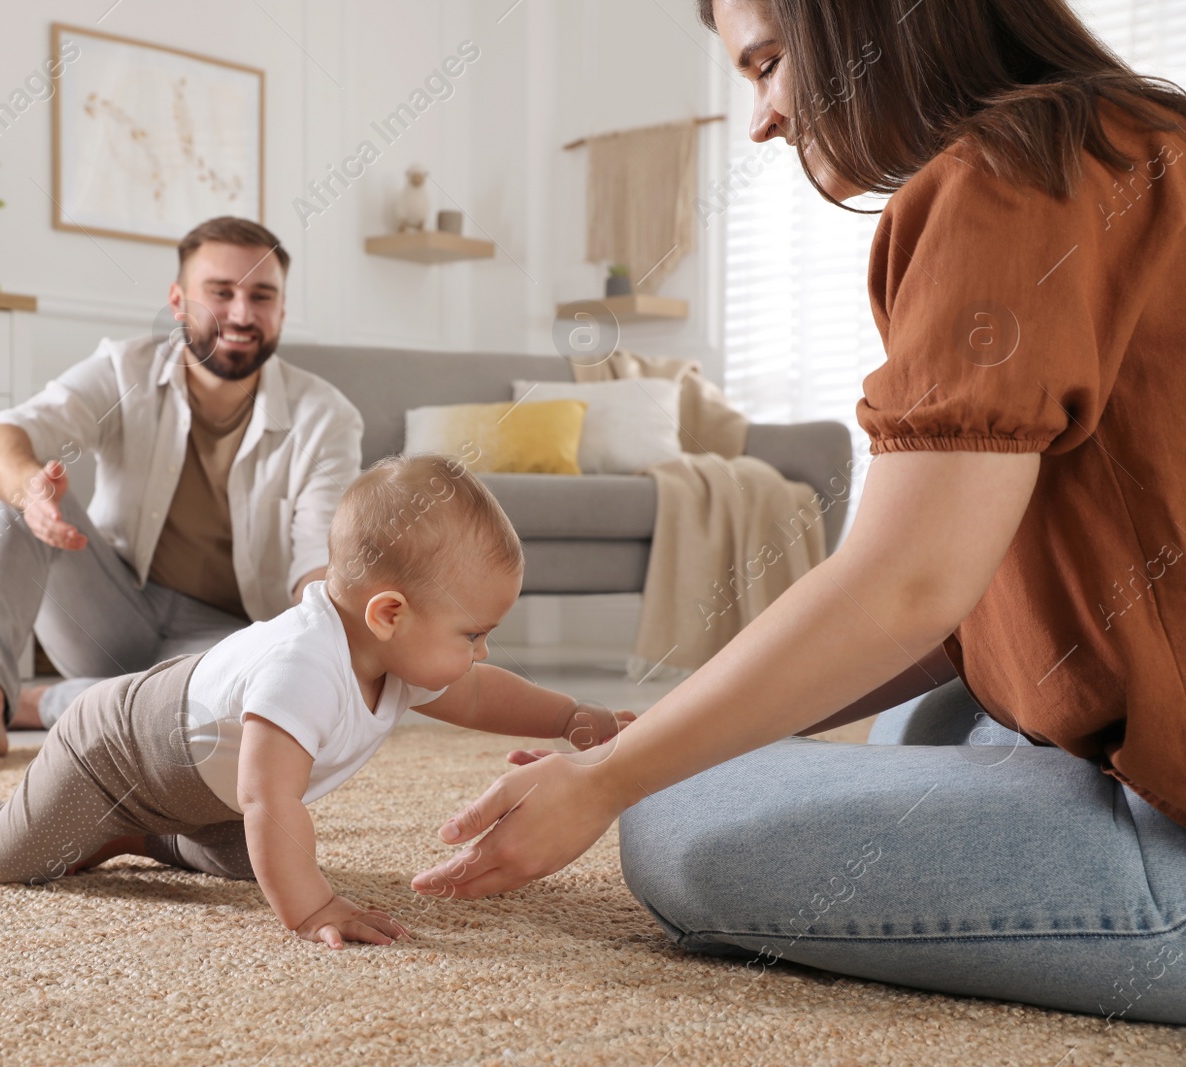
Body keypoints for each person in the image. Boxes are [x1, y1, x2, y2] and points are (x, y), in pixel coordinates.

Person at [411, 0, 1186, 1024]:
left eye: (768, 64)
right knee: (916, 718)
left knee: (675, 819)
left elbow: (903, 586)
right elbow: (958, 608)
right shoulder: (1136, 141)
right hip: (1118, 701)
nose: (763, 119)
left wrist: (609, 781)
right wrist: (668, 729)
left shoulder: (1007, 177)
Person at [0, 454, 635, 948]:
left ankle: (131, 836)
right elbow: (271, 799)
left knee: (254, 860)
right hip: (112, 752)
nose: (482, 651)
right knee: (14, 858)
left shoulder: (398, 649)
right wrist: (311, 910)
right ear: (389, 613)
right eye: (474, 632)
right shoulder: (303, 667)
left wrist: (573, 717)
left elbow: (478, 696)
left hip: (195, 791)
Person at [0, 217, 364, 774]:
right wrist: (32, 493)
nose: (242, 314)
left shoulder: (327, 417)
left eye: (261, 296)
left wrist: (310, 665)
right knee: (18, 488)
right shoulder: (124, 368)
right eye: (220, 292)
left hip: (222, 636)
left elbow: (318, 564)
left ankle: (46, 701)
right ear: (178, 301)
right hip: (108, 607)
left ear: (282, 311)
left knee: (238, 714)